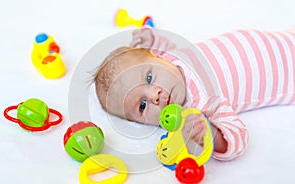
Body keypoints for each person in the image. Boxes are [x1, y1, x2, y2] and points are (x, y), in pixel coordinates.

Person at [94, 27, 295, 161]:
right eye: (142, 106)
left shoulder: (172, 55)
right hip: (289, 74)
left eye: (148, 78)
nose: (154, 95)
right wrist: (210, 134)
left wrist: (150, 37)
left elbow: (159, 43)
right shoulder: (201, 106)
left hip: (281, 38)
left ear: (156, 57)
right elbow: (238, 137)